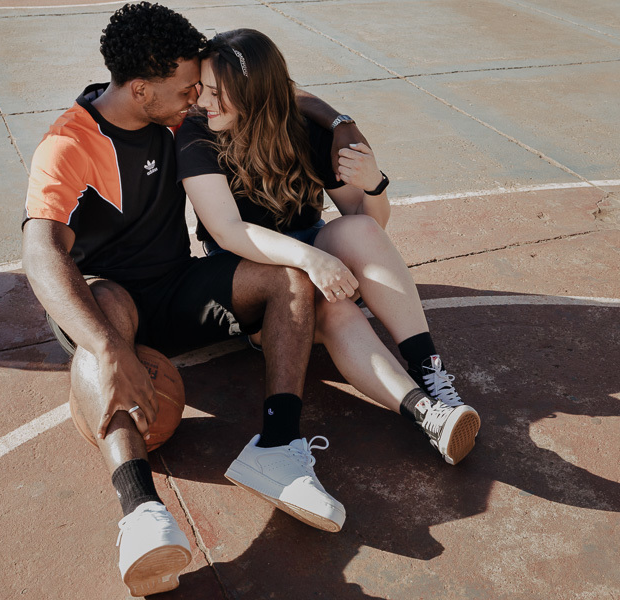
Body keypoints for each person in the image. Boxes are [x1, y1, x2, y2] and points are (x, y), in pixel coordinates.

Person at [22, 4, 366, 596]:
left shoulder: (175, 115)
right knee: (108, 317)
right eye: (188, 91)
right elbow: (40, 253)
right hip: (106, 304)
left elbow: (281, 93)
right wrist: (106, 349)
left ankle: (278, 448)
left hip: (178, 289)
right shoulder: (69, 144)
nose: (199, 101)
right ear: (140, 89)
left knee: (287, 275)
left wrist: (340, 120)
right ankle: (142, 514)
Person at [175, 29, 481, 469]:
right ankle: (425, 412)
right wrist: (311, 259)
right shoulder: (197, 135)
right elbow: (228, 232)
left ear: (254, 93)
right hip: (257, 277)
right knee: (336, 310)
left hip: (315, 252)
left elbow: (368, 222)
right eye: (202, 90)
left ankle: (432, 379)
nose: (204, 102)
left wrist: (373, 181)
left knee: (360, 232)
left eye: (217, 93)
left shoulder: (304, 129)